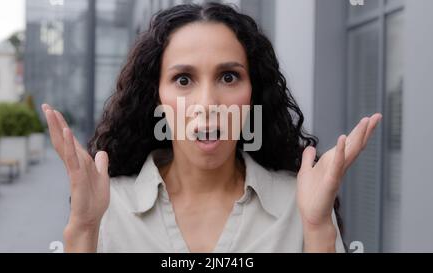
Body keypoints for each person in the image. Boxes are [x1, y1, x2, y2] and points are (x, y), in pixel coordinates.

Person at [41, 2, 382, 253]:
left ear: (254, 93)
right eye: (183, 79)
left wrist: (318, 226)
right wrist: (84, 229)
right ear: (156, 96)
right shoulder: (107, 205)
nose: (207, 103)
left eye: (229, 76)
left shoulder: (302, 202)